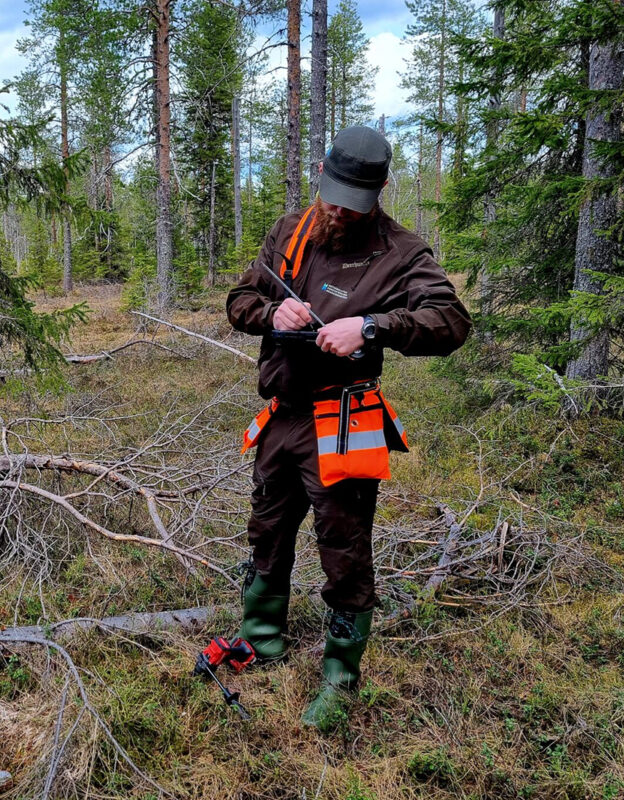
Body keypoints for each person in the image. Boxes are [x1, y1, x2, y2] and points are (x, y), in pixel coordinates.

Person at [225, 125, 472, 731]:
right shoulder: (291, 231)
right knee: (267, 529)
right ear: (320, 172)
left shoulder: (401, 251)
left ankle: (340, 678)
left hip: (345, 421)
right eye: (333, 194)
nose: (338, 210)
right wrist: (270, 313)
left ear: (380, 189)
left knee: (344, 548)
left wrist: (371, 328)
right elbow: (238, 301)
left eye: (353, 200)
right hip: (282, 414)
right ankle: (262, 638)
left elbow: (450, 322)